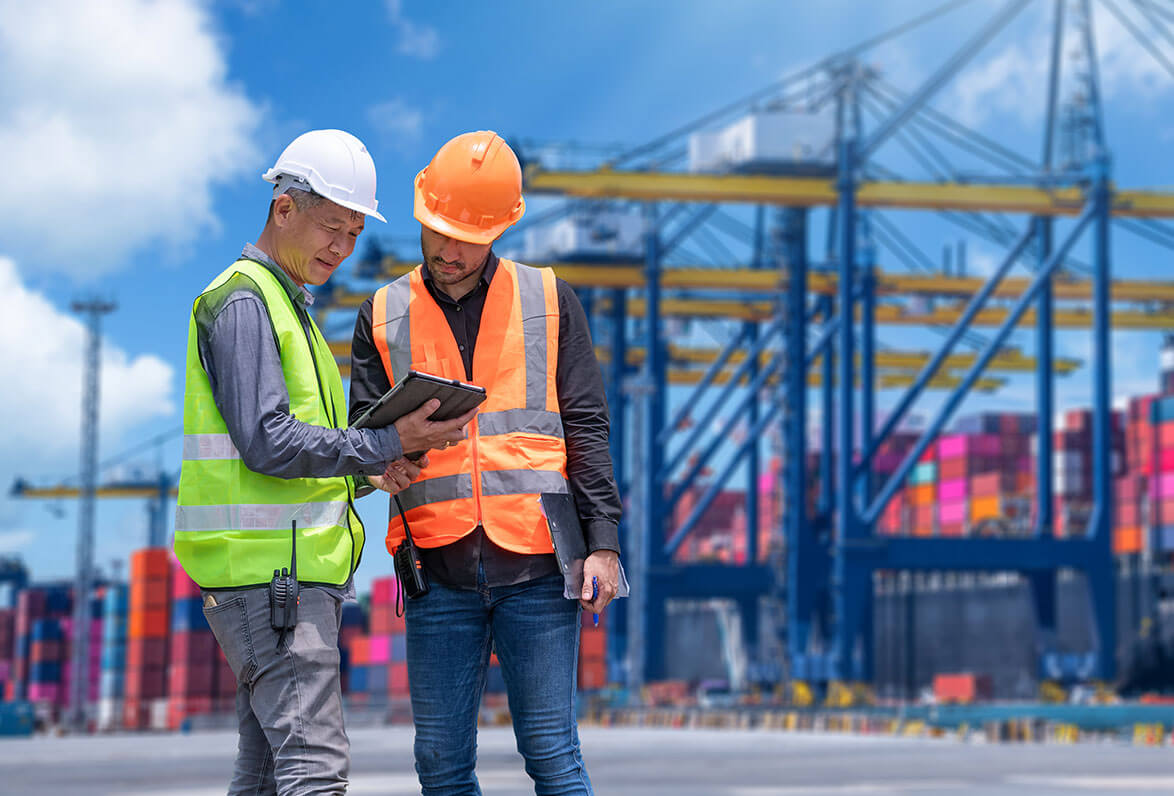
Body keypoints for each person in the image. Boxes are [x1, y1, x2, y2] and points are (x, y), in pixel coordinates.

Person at [173, 129, 470, 795]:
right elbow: (268, 442)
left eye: (355, 233)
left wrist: (369, 474)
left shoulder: (288, 308)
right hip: (274, 581)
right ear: (284, 210)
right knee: (315, 771)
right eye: (331, 226)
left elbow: (293, 458)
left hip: (281, 576)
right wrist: (390, 442)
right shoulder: (246, 302)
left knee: (268, 775)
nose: (342, 248)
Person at [349, 130, 623, 795]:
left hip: (537, 565)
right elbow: (359, 444)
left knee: (554, 757)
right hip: (436, 570)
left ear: (500, 229)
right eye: (437, 231)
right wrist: (381, 467)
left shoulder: (551, 301)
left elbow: (586, 427)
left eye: (467, 238)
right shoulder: (381, 315)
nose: (448, 250)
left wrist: (605, 545)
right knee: (441, 766)